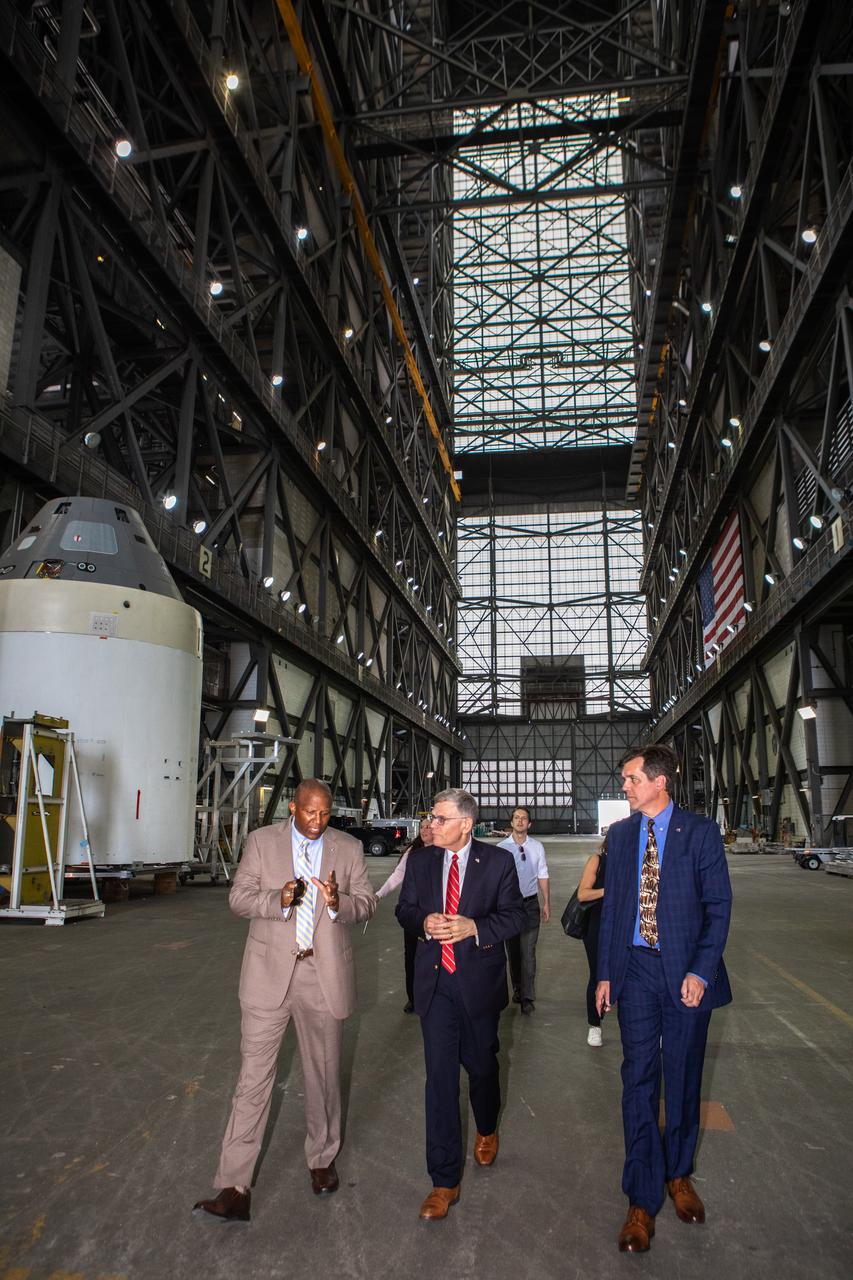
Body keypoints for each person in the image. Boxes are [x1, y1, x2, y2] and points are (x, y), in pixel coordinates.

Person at [193, 779, 376, 1222]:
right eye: (309, 813)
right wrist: (278, 899)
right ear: (293, 807)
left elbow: (368, 903)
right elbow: (238, 897)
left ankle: (321, 1158)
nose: (317, 822)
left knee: (324, 1074)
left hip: (322, 975)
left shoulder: (348, 848)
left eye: (325, 814)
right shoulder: (261, 842)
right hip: (267, 977)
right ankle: (235, 1185)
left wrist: (338, 904)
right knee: (253, 1078)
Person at [595, 745, 732, 1254]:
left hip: (684, 976)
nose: (625, 787)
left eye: (630, 778)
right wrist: (606, 973)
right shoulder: (622, 835)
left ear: (659, 782)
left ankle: (678, 1174)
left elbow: (718, 908)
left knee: (682, 1075)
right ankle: (640, 1196)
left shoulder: (698, 833)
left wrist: (701, 969)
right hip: (634, 970)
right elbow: (612, 911)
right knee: (637, 1079)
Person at [396, 788, 526, 1221]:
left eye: (440, 818)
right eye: (431, 817)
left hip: (478, 985)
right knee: (439, 1081)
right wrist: (423, 922)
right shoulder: (421, 861)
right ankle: (443, 1180)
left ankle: (486, 1128)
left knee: (484, 1066)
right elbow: (405, 910)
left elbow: (515, 917)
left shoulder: (498, 862)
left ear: (466, 824)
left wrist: (474, 926)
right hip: (435, 988)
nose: (431, 825)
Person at [376, 817, 434, 1012]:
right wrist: (378, 895)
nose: (425, 830)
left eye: (429, 827)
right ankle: (413, 998)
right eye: (423, 827)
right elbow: (396, 877)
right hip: (413, 914)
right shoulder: (412, 852)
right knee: (412, 957)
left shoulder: (444, 851)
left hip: (436, 914)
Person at [496, 806, 550, 1014]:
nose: (519, 821)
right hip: (508, 907)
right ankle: (518, 988)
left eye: (523, 818)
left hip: (529, 905)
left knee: (528, 952)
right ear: (511, 823)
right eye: (516, 818)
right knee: (513, 952)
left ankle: (527, 996)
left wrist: (546, 902)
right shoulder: (501, 848)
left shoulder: (537, 847)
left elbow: (542, 874)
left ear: (529, 824)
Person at [577, 833, 607, 1046]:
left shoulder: (634, 861)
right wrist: (610, 891)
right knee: (598, 974)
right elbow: (583, 894)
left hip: (625, 925)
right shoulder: (597, 860)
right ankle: (594, 1025)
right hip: (597, 925)